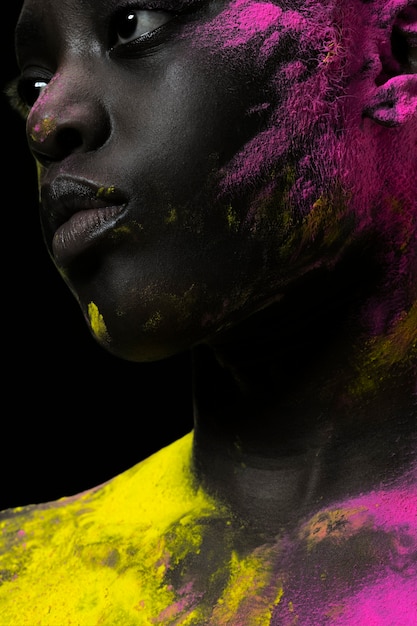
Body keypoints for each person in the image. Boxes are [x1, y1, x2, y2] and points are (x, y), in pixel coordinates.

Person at [1, 0, 416, 623]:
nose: (46, 121)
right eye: (34, 84)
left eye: (132, 27)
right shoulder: (18, 576)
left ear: (395, 51)